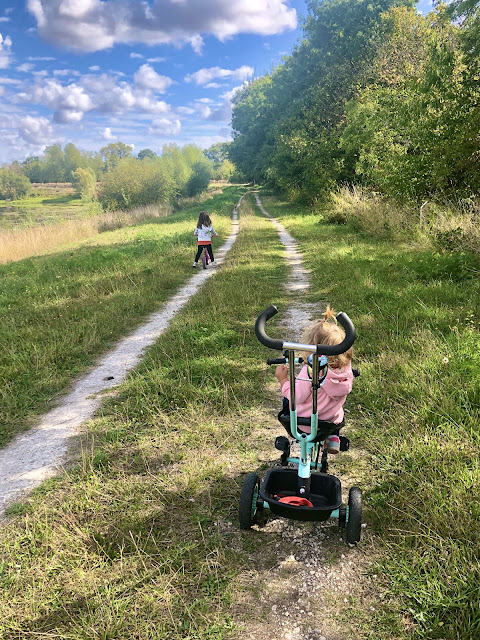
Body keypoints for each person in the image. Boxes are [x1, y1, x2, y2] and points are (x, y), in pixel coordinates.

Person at [274, 306, 354, 454]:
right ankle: (333, 438)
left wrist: (283, 380)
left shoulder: (311, 372)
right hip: (330, 423)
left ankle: (301, 442)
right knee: (335, 407)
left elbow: (296, 396)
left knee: (288, 398)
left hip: (304, 425)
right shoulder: (346, 372)